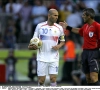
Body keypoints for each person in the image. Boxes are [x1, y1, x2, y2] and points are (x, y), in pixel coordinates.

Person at [59, 8, 100, 85]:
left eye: (84, 15)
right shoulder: (85, 26)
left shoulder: (97, 26)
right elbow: (79, 31)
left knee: (94, 76)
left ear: (89, 16)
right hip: (85, 53)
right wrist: (67, 27)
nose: (82, 16)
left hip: (93, 52)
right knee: (88, 77)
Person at [28, 9, 65, 86]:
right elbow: (34, 40)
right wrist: (31, 46)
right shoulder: (40, 26)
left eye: (57, 15)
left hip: (54, 56)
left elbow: (62, 41)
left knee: (53, 79)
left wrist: (59, 46)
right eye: (55, 15)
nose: (57, 17)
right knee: (41, 80)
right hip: (42, 56)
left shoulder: (59, 28)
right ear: (49, 16)